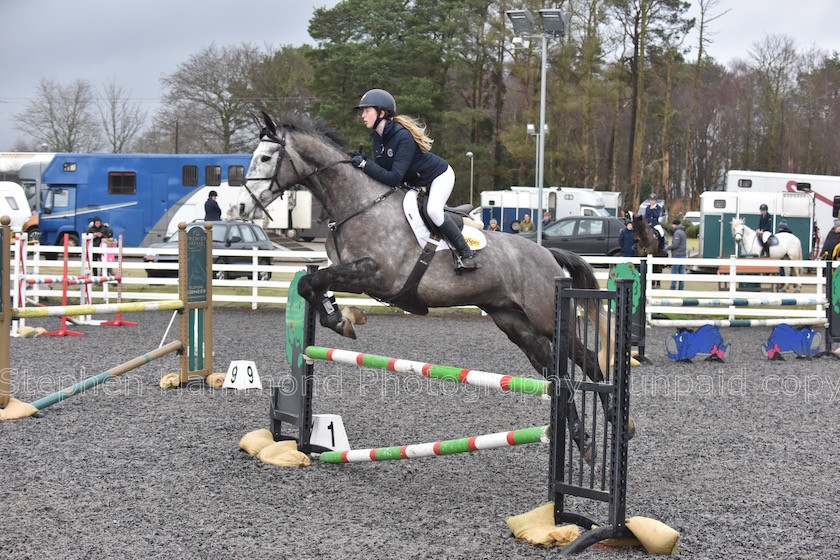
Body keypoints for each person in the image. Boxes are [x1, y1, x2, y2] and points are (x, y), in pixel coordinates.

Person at [352, 88, 478, 271]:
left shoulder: (402, 136)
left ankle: (467, 255)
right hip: (416, 183)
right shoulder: (377, 137)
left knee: (434, 211)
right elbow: (383, 171)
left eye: (367, 110)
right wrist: (364, 164)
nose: (363, 115)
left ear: (382, 112)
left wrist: (366, 165)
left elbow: (394, 178)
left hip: (439, 176)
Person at [665, 218, 686, 290]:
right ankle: (681, 287)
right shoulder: (683, 232)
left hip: (677, 254)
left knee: (674, 272)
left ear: (675, 225)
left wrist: (668, 247)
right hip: (683, 254)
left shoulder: (677, 233)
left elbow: (675, 245)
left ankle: (673, 287)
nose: (672, 226)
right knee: (681, 272)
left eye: (673, 225)